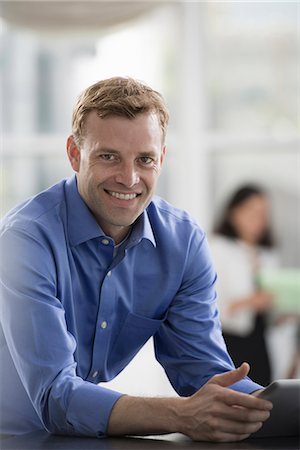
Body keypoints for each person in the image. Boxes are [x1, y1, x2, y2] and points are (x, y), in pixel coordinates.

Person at [0, 77, 272, 441]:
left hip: (81, 438)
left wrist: (270, 407)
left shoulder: (182, 242)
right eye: (108, 156)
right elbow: (55, 396)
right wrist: (181, 415)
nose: (129, 178)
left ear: (161, 158)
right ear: (74, 154)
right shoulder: (25, 240)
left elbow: (204, 373)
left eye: (144, 159)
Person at [210, 185, 279, 386]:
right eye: (252, 211)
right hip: (230, 342)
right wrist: (250, 302)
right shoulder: (217, 250)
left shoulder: (268, 255)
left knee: (264, 399)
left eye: (263, 213)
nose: (259, 219)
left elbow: (269, 315)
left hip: (260, 343)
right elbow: (212, 306)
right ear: (233, 213)